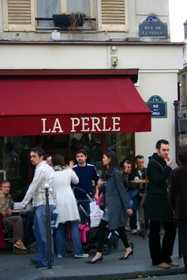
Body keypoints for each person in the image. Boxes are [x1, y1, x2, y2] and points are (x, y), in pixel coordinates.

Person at [87, 150, 133, 264]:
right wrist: (100, 185)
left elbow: (122, 190)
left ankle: (99, 253)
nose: (102, 159)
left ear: (110, 159)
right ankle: (128, 248)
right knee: (119, 227)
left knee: (102, 227)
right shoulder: (108, 172)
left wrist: (128, 207)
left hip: (114, 205)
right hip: (110, 204)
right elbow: (107, 190)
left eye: (104, 157)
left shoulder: (116, 173)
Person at [144, 139, 178, 269]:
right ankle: (157, 259)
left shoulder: (165, 161)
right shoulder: (152, 163)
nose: (166, 152)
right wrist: (168, 168)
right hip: (156, 201)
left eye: (168, 149)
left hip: (166, 201)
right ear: (157, 149)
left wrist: (170, 167)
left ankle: (166, 257)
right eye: (164, 150)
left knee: (171, 229)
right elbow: (158, 181)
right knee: (155, 231)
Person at [21, 147, 56, 268]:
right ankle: (42, 257)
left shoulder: (41, 169)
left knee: (44, 233)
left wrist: (24, 203)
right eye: (30, 156)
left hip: (43, 204)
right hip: (43, 203)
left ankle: (48, 260)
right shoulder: (47, 168)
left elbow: (33, 186)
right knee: (39, 232)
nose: (31, 159)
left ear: (41, 157)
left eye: (34, 156)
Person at [52, 154, 89, 259]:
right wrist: (70, 168)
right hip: (69, 200)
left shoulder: (51, 173)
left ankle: (60, 252)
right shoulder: (68, 171)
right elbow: (76, 181)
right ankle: (78, 252)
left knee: (59, 227)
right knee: (74, 226)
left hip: (57, 201)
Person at [169, 145, 187, 275]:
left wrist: (175, 209)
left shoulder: (176, 172)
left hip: (182, 213)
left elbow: (171, 195)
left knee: (185, 244)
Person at [72, 149, 100, 223]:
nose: (79, 158)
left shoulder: (91, 168)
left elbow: (98, 181)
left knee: (92, 220)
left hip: (89, 198)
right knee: (80, 222)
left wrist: (96, 194)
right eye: (78, 156)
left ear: (85, 157)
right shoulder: (73, 169)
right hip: (77, 199)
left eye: (81, 156)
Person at [0, 180, 28, 252]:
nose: (7, 188)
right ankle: (18, 242)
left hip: (5, 218)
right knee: (17, 220)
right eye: (5, 187)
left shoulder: (8, 197)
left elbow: (11, 203)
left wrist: (9, 207)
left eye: (8, 187)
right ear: (1, 188)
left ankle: (18, 242)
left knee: (18, 220)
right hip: (1, 218)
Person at [129, 155, 147, 234]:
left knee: (148, 209)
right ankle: (133, 227)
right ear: (135, 163)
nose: (141, 164)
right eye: (139, 162)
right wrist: (139, 193)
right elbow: (131, 184)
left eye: (142, 162)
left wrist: (145, 193)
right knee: (132, 208)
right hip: (136, 193)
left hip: (146, 193)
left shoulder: (147, 171)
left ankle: (147, 227)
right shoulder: (132, 172)